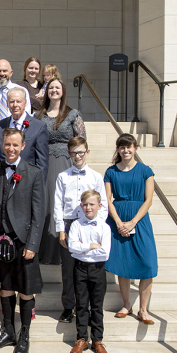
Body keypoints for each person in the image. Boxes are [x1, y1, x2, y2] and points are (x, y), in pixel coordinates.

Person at [0, 128, 45, 353]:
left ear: (22, 146)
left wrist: (32, 244)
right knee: (6, 288)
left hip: (23, 241)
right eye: (7, 144)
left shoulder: (33, 172)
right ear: (2, 144)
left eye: (15, 145)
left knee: (26, 292)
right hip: (1, 241)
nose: (10, 149)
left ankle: (24, 335)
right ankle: (8, 331)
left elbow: (38, 213)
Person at [104, 133, 158, 325]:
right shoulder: (111, 172)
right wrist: (118, 222)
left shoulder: (145, 171)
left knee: (148, 263)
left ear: (135, 148)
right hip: (117, 219)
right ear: (118, 149)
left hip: (139, 220)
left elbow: (149, 200)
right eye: (122, 147)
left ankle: (143, 309)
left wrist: (133, 222)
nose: (126, 150)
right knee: (122, 263)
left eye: (129, 147)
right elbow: (107, 200)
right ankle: (127, 305)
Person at [52, 137, 107, 324]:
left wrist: (96, 226)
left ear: (87, 152)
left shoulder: (96, 177)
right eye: (74, 153)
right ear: (69, 154)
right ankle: (68, 307)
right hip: (68, 224)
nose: (78, 156)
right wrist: (61, 229)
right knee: (68, 269)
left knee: (89, 267)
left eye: (81, 152)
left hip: (88, 223)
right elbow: (57, 204)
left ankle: (90, 306)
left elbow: (104, 205)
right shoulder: (63, 176)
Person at [36, 78, 86, 265]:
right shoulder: (38, 115)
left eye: (57, 87)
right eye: (51, 88)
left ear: (63, 91)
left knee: (65, 201)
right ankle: (46, 251)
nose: (54, 90)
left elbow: (81, 141)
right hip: (45, 163)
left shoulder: (73, 114)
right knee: (48, 203)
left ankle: (64, 247)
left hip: (67, 161)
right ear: (46, 91)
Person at [68, 190, 111, 353]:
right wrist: (92, 246)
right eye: (85, 204)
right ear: (81, 206)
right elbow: (72, 248)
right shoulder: (75, 225)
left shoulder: (104, 227)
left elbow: (105, 253)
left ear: (99, 206)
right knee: (81, 304)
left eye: (92, 204)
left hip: (98, 269)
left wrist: (83, 247)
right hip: (79, 268)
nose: (88, 207)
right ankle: (81, 338)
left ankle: (97, 340)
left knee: (97, 305)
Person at [0, 87, 49, 179]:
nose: (15, 105)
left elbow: (42, 162)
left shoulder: (38, 127)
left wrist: (39, 186)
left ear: (25, 103)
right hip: (3, 179)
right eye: (11, 102)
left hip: (28, 180)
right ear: (7, 103)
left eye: (18, 101)